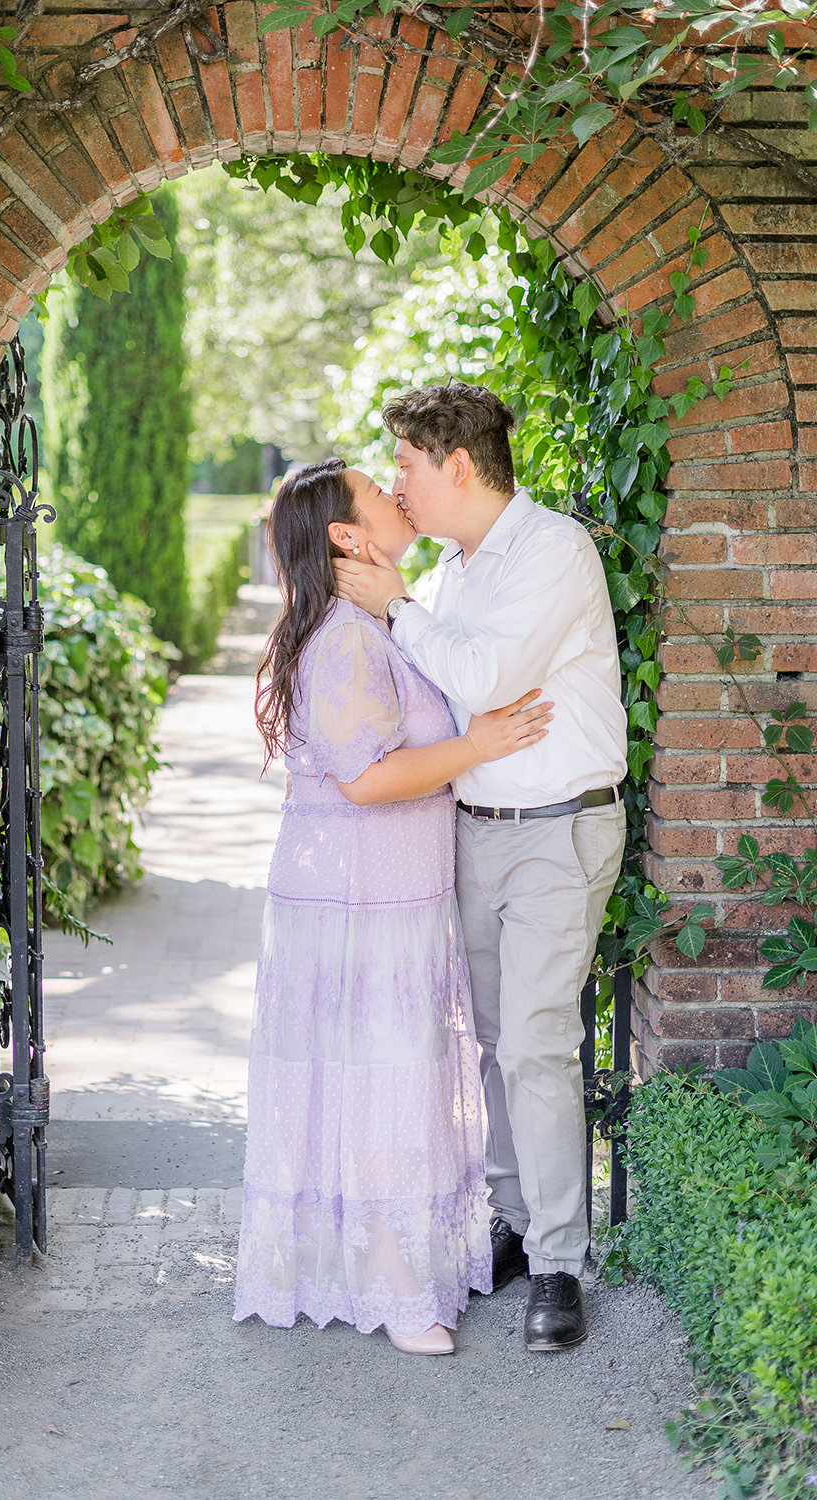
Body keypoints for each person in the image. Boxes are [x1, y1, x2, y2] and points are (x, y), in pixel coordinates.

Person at [233, 457, 553, 1355]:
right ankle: (393, 1287)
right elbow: (369, 779)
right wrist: (480, 742)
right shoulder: (339, 636)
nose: (398, 495)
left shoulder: (379, 619)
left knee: (392, 1074)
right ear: (347, 535)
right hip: (354, 899)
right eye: (381, 492)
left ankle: (396, 1266)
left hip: (395, 894)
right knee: (379, 1077)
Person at [334, 384, 628, 1352]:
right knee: (495, 1038)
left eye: (408, 466)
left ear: (457, 464)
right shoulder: (453, 574)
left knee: (537, 1041)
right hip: (472, 828)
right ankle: (516, 1219)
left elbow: (487, 680)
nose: (397, 486)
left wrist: (398, 606)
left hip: (557, 829)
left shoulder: (553, 551)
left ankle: (557, 1264)